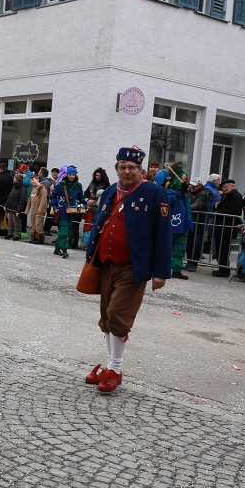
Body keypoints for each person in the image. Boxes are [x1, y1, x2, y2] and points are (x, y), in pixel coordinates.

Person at [82, 146, 171, 393]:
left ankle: (116, 369)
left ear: (140, 170)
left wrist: (160, 271)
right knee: (106, 317)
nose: (127, 171)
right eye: (123, 167)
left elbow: (163, 234)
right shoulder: (111, 190)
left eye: (132, 167)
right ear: (117, 169)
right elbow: (100, 222)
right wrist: (91, 257)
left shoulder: (154, 192)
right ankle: (110, 366)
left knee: (119, 317)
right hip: (106, 262)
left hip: (134, 265)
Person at [154, 168, 193, 279]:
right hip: (171, 225)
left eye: (187, 180)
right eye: (184, 180)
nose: (186, 182)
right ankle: (160, 269)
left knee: (179, 249)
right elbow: (168, 202)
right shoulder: (170, 192)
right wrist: (180, 193)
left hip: (181, 226)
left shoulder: (185, 195)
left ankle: (176, 270)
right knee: (166, 248)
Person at [212, 177, 244, 277]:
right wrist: (216, 206)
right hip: (222, 225)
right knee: (220, 248)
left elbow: (234, 211)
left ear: (232, 186)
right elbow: (220, 206)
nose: (224, 189)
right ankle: (222, 267)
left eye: (226, 187)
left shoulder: (236, 196)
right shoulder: (227, 195)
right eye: (223, 187)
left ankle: (224, 269)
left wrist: (219, 212)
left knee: (224, 248)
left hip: (227, 226)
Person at [50, 166, 83, 258]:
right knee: (64, 232)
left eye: (73, 175)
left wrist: (83, 205)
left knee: (65, 231)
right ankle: (64, 249)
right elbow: (53, 197)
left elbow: (81, 197)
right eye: (70, 175)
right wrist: (55, 207)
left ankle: (57, 248)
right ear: (67, 175)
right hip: (61, 211)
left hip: (72, 212)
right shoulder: (61, 185)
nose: (71, 176)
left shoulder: (78, 186)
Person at [4, 170, 29, 241]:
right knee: (10, 222)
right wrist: (6, 205)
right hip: (10, 207)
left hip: (16, 209)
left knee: (17, 222)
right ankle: (10, 233)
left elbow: (22, 200)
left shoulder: (22, 188)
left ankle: (17, 234)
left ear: (18, 180)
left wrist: (19, 210)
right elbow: (9, 196)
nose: (13, 179)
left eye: (15, 178)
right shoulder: (14, 186)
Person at [25, 172, 49, 244]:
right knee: (33, 223)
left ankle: (40, 238)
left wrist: (40, 209)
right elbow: (30, 200)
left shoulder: (42, 188)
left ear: (37, 179)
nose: (31, 182)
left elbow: (43, 199)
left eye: (33, 180)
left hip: (39, 210)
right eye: (31, 181)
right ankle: (34, 237)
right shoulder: (33, 189)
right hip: (33, 210)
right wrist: (27, 209)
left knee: (38, 224)